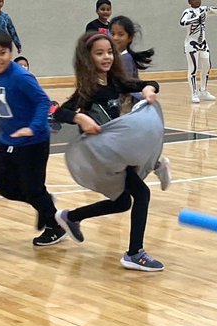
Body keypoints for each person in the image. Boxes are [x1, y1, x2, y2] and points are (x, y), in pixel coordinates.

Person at [54, 32, 167, 272]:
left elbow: (148, 84)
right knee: (142, 194)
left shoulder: (115, 81)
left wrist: (148, 91)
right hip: (102, 155)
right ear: (87, 58)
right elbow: (60, 113)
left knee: (123, 202)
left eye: (109, 52)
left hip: (117, 153)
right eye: (99, 53)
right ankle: (135, 253)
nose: (106, 57)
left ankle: (71, 217)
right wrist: (80, 117)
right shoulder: (88, 89)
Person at [0, 29, 67, 249]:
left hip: (33, 142)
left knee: (32, 188)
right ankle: (44, 204)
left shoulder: (21, 77)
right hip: (8, 139)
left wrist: (33, 127)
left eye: (2, 53)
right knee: (1, 185)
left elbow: (42, 101)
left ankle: (55, 226)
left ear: (10, 52)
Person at [180, 0, 217, 103]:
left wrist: (209, 9)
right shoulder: (188, 12)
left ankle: (203, 90)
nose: (197, 1)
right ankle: (194, 93)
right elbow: (182, 23)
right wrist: (196, 19)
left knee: (207, 65)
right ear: (189, 1)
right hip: (191, 44)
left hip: (203, 43)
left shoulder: (203, 10)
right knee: (193, 68)